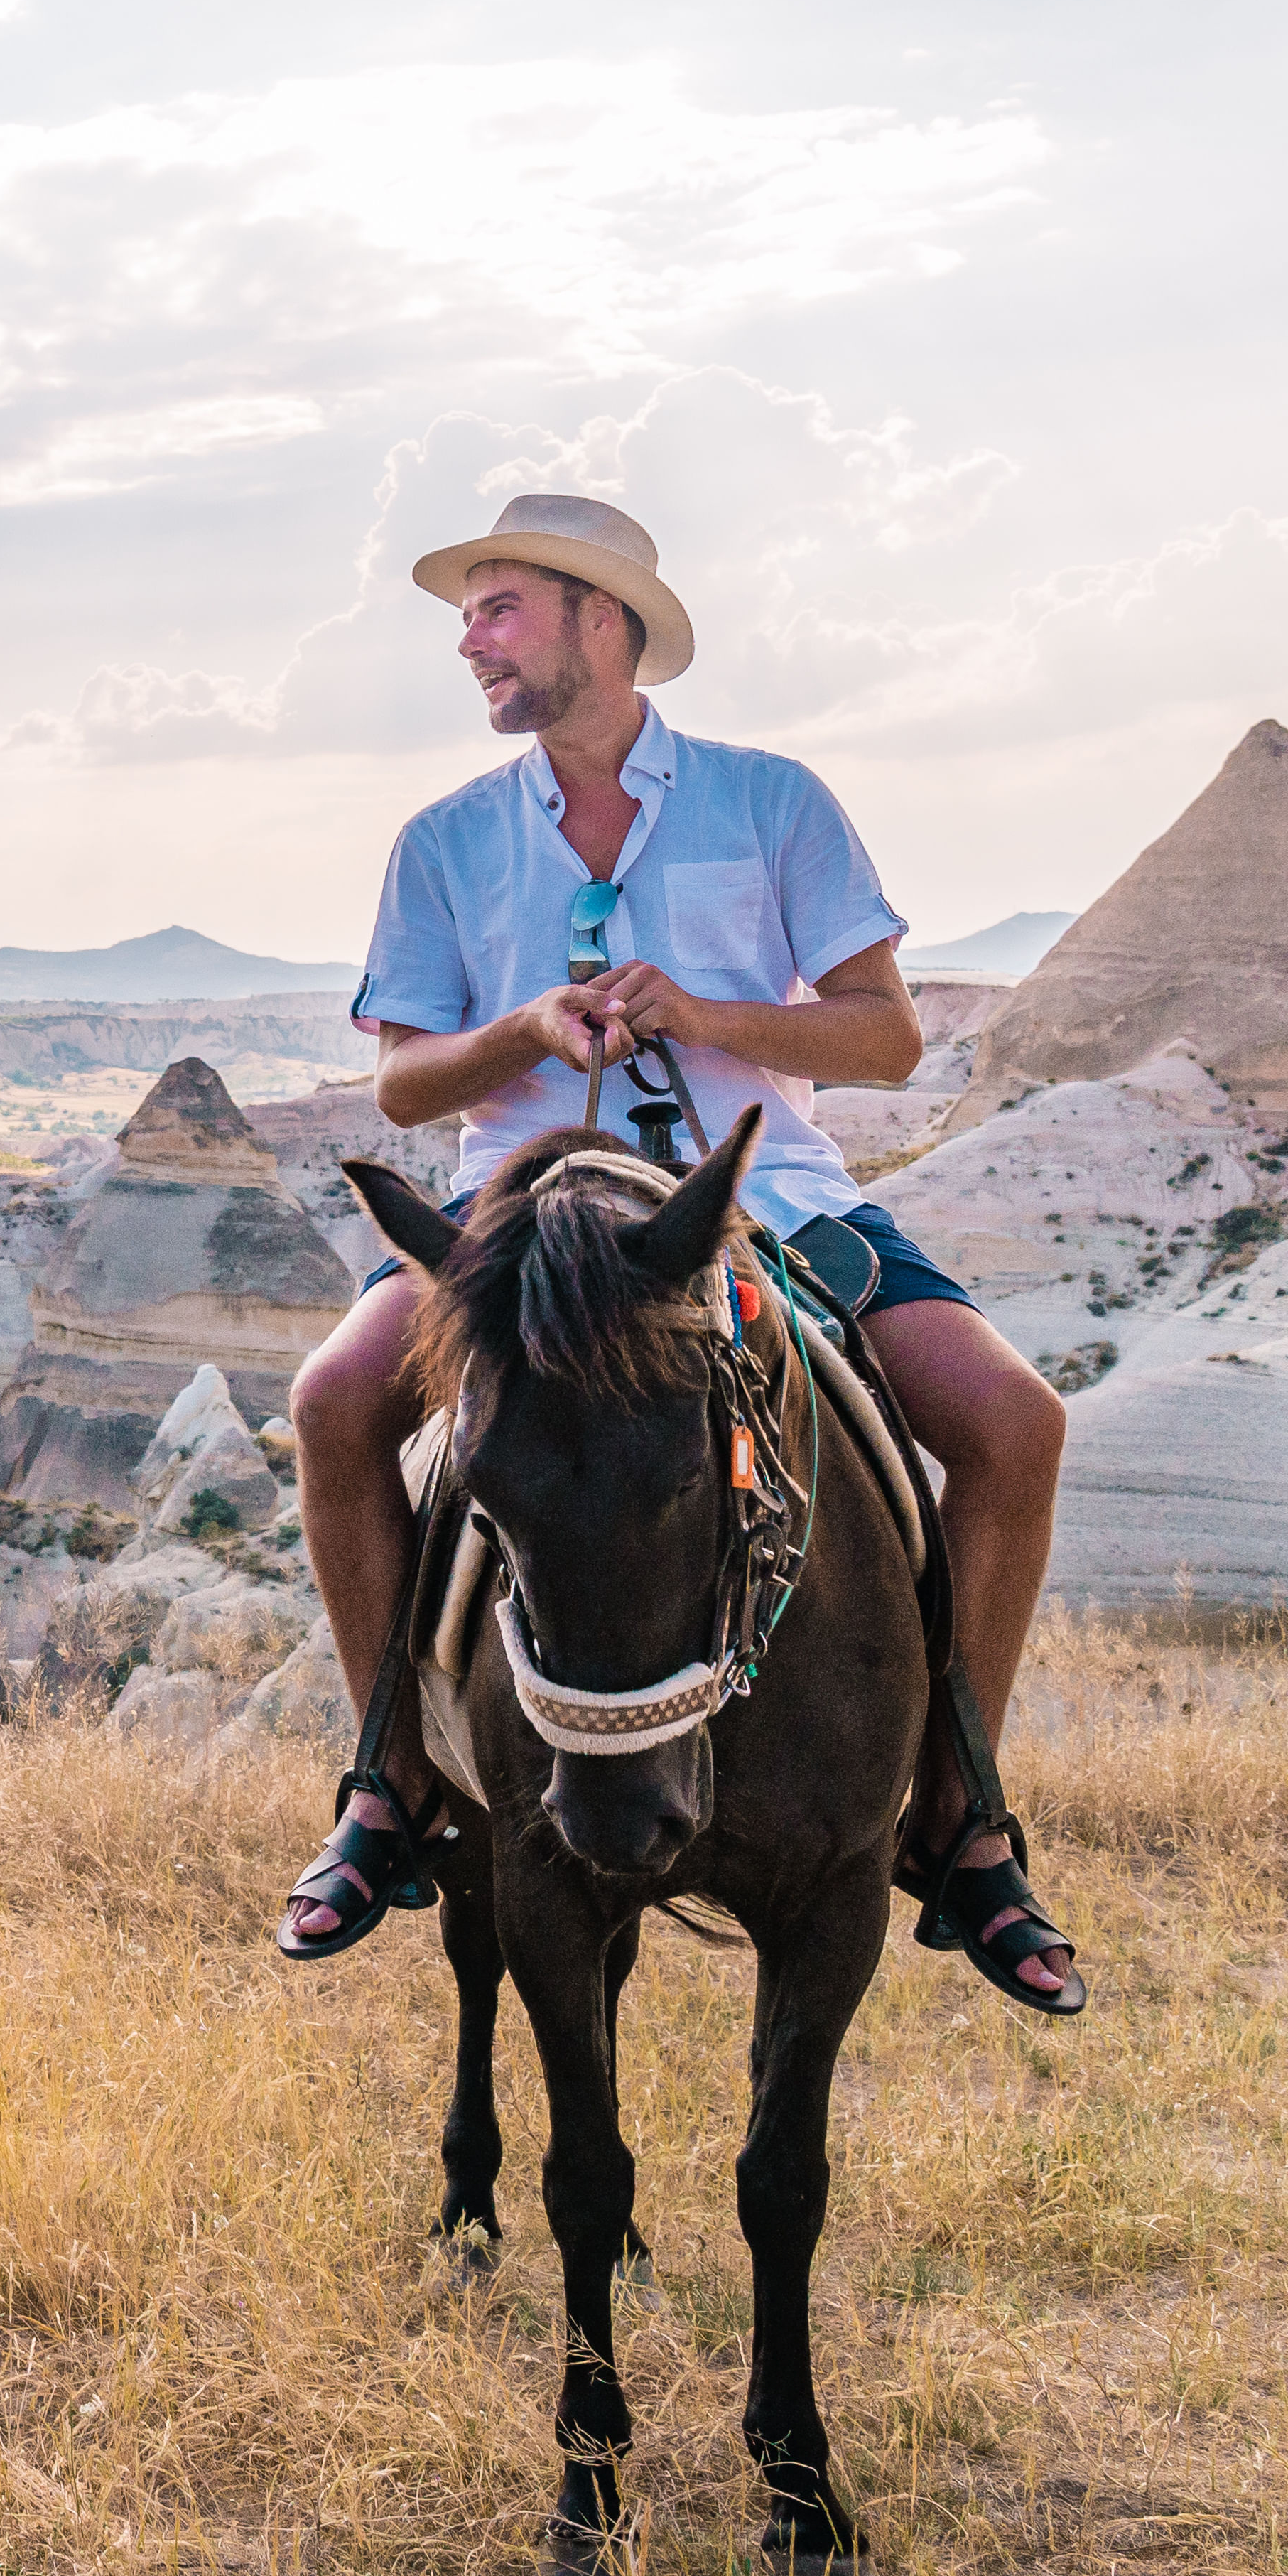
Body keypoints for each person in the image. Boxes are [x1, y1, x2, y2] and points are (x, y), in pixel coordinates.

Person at [271, 494, 1083, 2016]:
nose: (471, 641)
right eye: (472, 615)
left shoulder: (770, 802)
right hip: (522, 1217)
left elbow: (889, 1035)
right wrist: (520, 1030)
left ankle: (962, 1817)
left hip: (762, 1194)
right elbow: (399, 1085)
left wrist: (706, 1016)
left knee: (1013, 1421)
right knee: (332, 1405)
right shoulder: (446, 840)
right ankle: (388, 1785)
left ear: (602, 618)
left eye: (499, 608)